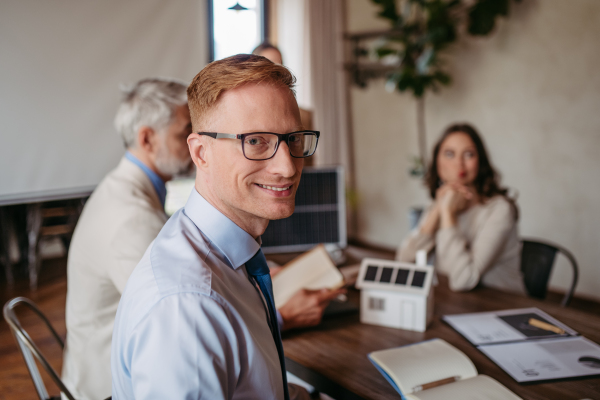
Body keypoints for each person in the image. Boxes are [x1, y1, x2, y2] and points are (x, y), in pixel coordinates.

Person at [112, 54, 343, 399]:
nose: (288, 168)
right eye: (255, 141)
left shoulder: (226, 255)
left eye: (293, 139)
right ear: (201, 153)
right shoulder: (187, 307)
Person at [61, 78, 193, 400]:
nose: (194, 142)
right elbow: (177, 327)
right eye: (184, 132)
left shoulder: (120, 186)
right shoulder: (131, 219)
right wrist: (280, 316)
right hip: (105, 391)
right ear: (147, 138)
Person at [396, 123, 525, 294]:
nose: (459, 164)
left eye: (469, 154)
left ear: (480, 160)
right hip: (456, 303)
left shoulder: (499, 209)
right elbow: (404, 261)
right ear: (437, 162)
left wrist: (448, 215)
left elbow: (463, 279)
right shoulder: (439, 203)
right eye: (449, 154)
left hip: (502, 305)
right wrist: (437, 211)